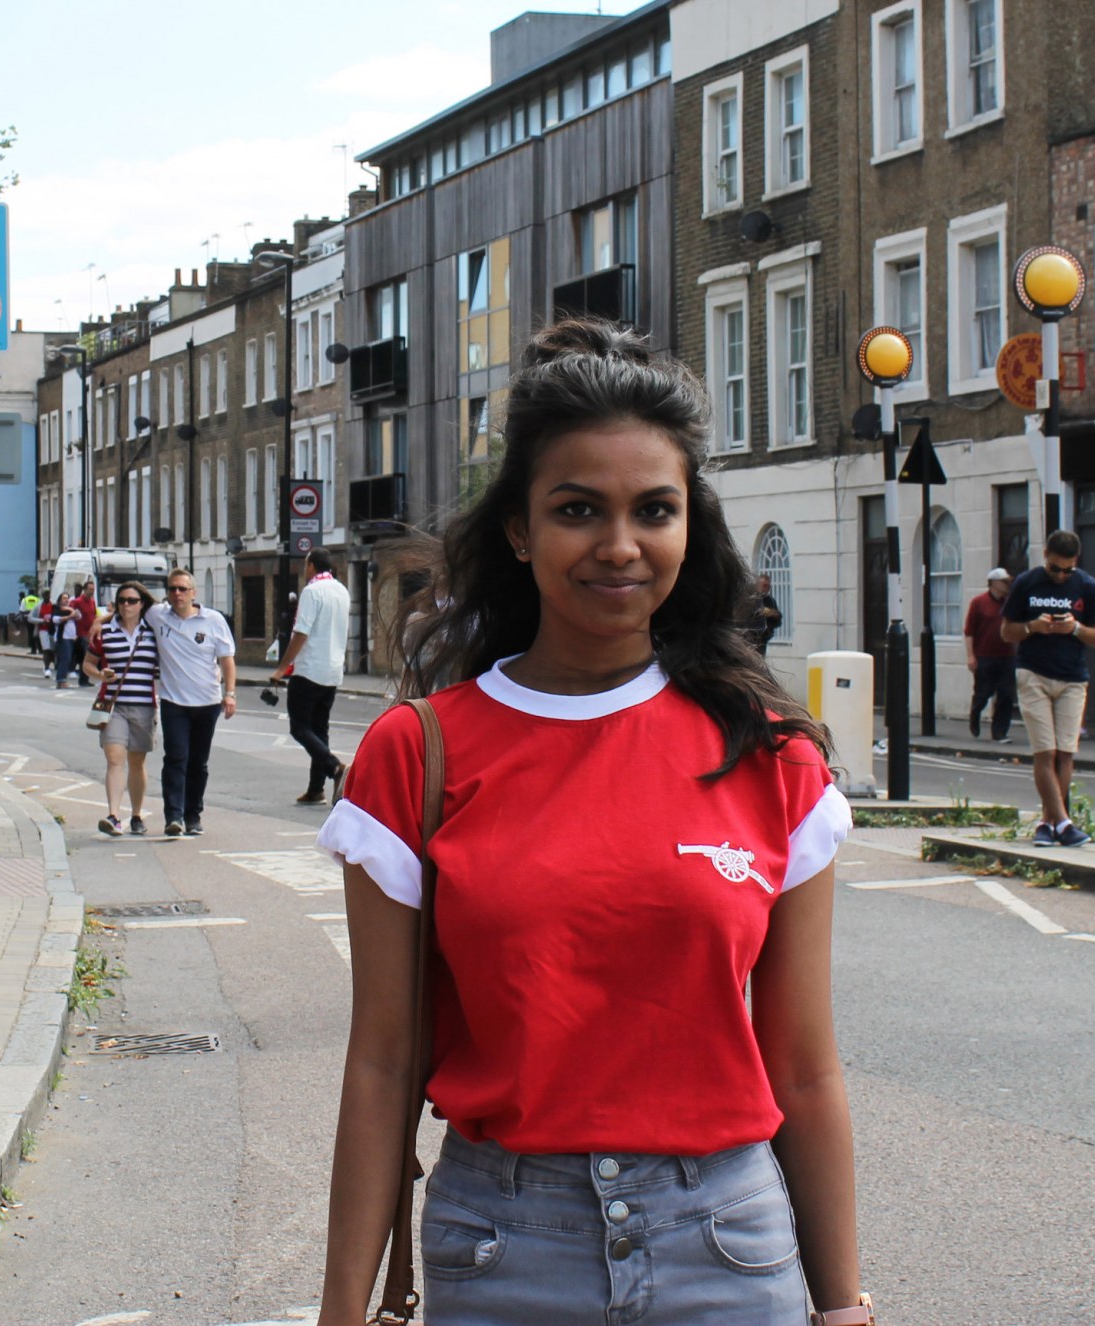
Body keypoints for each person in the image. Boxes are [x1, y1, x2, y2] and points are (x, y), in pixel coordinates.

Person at [311, 319, 866, 1326]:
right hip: (502, 1247)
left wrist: (842, 1308)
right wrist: (341, 1312)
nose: (620, 546)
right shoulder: (417, 754)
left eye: (655, 509)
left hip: (730, 1251)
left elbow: (805, 1066)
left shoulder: (771, 755)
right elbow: (383, 1059)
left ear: (689, 524)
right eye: (578, 510)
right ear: (521, 531)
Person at [1000, 530, 1095, 847]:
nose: (1061, 575)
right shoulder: (1027, 583)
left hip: (1073, 677)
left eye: (1067, 570)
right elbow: (1007, 631)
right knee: (1045, 752)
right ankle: (1063, 822)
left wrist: (1073, 627)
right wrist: (1035, 626)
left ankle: (1048, 824)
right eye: (1055, 568)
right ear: (1045, 555)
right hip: (1034, 673)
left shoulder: (1086, 585)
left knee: (1065, 753)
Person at [149, 569, 236, 837]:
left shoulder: (213, 620)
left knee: (198, 763)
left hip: (207, 702)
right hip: (174, 701)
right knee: (175, 757)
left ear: (193, 593)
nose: (177, 594)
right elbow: (126, 606)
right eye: (172, 589)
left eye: (182, 589)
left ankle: (193, 815)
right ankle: (173, 817)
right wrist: (97, 622)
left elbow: (227, 660)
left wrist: (230, 693)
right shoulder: (157, 615)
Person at [271, 548, 351, 805]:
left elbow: (301, 633)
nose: (304, 570)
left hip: (309, 671)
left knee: (299, 728)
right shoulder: (342, 591)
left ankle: (335, 766)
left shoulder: (312, 592)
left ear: (312, 566)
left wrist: (282, 667)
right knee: (319, 730)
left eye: (305, 565)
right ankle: (316, 789)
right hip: (332, 672)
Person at [84, 581, 160, 837]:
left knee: (136, 762)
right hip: (113, 705)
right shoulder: (104, 632)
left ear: (142, 604)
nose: (126, 605)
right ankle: (114, 815)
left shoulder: (153, 630)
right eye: (121, 600)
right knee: (114, 759)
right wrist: (100, 674)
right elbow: (87, 665)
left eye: (132, 600)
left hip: (144, 706)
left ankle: (136, 815)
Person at [963, 568, 1017, 743]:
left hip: (1006, 655)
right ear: (993, 583)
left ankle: (999, 731)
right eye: (1004, 582)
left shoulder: (1010, 603)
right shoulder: (979, 603)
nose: (1007, 586)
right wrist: (971, 656)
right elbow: (969, 631)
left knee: (1006, 694)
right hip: (985, 655)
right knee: (984, 692)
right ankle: (975, 712)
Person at [748, 571, 783, 654]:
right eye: (764, 586)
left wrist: (774, 614)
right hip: (749, 641)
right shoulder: (750, 599)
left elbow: (778, 622)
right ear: (757, 585)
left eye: (768, 587)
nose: (766, 589)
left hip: (763, 640)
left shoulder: (770, 601)